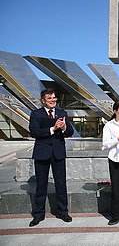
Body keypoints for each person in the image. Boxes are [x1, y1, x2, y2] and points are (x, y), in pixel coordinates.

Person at [28, 88, 74, 227]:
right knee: (41, 185)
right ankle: (38, 214)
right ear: (43, 101)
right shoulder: (36, 114)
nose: (53, 100)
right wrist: (52, 129)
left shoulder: (62, 113)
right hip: (42, 153)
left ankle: (63, 212)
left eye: (54, 98)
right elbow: (34, 132)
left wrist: (65, 127)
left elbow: (70, 132)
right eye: (50, 98)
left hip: (58, 153)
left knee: (61, 184)